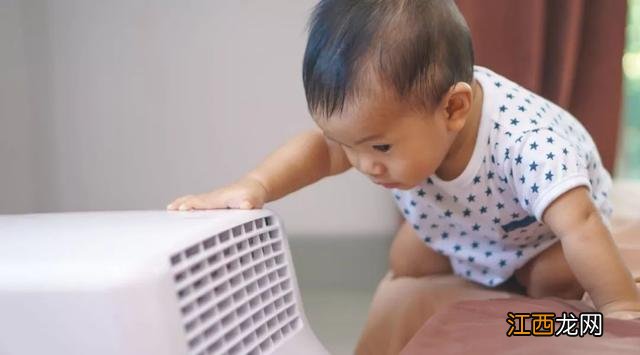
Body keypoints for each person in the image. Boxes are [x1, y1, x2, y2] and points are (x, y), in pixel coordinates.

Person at [168, 0, 640, 352]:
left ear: (453, 108)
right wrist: (256, 185)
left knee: (549, 281)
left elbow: (578, 223)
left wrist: (620, 311)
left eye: (379, 147)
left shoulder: (530, 146)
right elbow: (320, 149)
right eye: (349, 146)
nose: (361, 165)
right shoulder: (396, 131)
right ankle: (481, 272)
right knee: (406, 260)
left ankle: (542, 313)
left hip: (541, 234)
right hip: (470, 222)